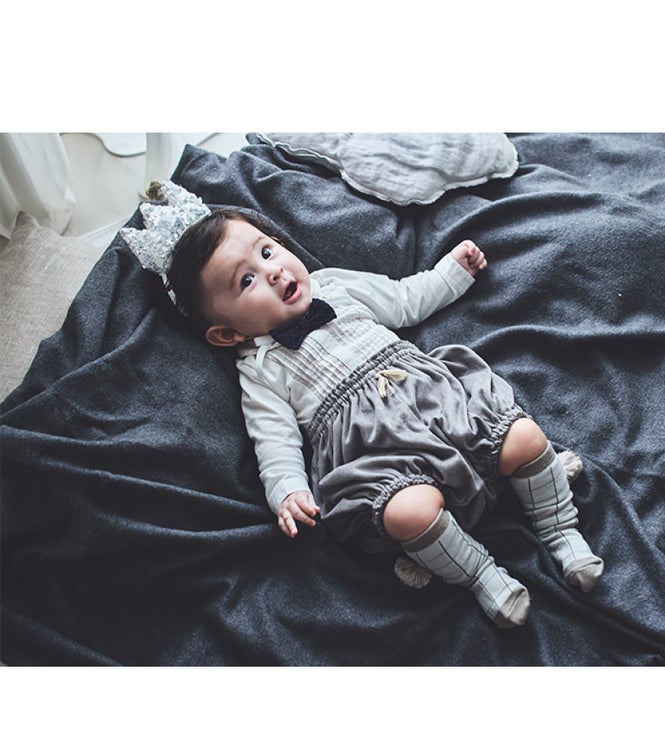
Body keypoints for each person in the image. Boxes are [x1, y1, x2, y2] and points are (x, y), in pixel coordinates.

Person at [155, 202, 604, 628]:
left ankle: (560, 530)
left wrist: (452, 273)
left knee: (523, 437)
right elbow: (273, 440)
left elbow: (404, 298)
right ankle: (482, 575)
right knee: (408, 514)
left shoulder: (335, 286)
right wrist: (287, 491)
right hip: (374, 453)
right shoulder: (259, 368)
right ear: (227, 334)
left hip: (436, 403)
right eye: (246, 280)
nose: (271, 271)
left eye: (267, 252)